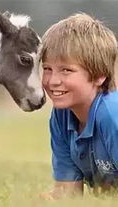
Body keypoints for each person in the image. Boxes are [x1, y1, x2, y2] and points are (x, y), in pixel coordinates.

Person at [39, 13, 118, 200]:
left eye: (66, 70)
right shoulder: (61, 116)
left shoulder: (111, 114)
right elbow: (69, 194)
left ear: (99, 75)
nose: (53, 81)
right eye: (47, 68)